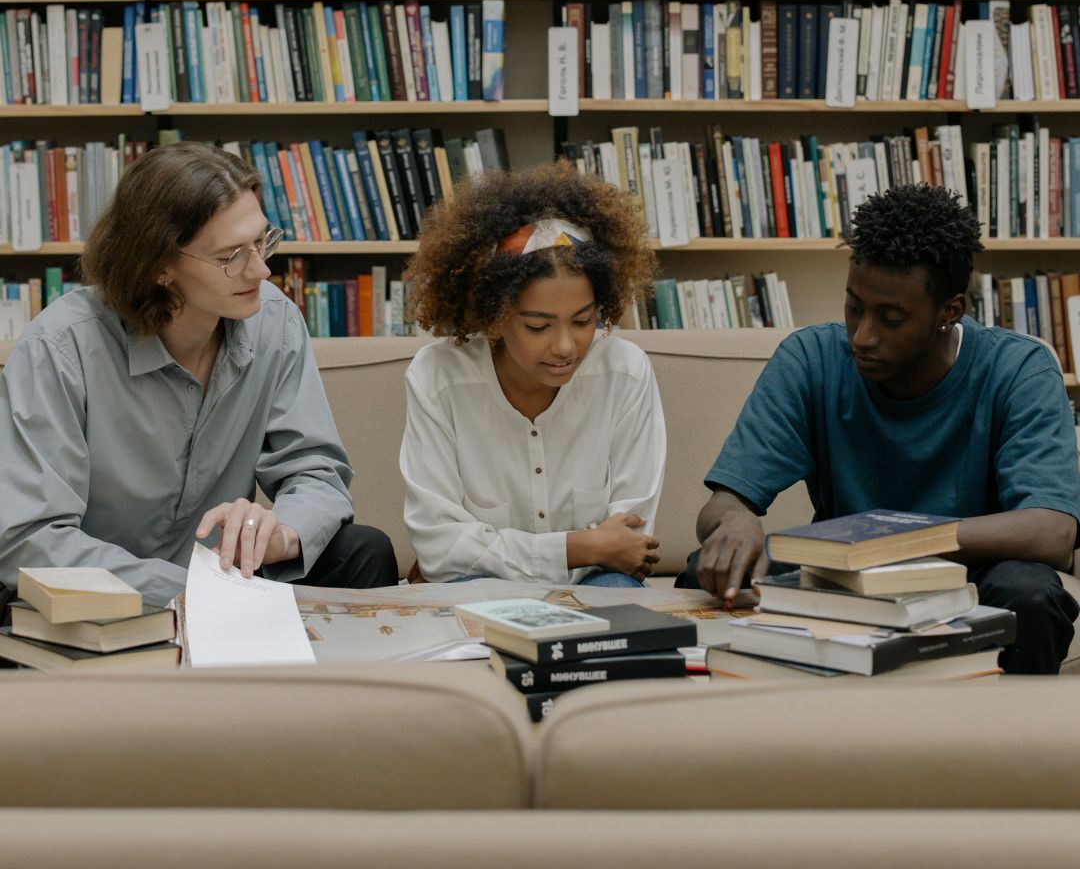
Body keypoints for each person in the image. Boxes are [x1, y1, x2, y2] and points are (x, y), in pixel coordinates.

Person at [678, 184, 1080, 674]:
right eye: (854, 307)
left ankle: (1011, 746)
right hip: (845, 578)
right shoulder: (810, 360)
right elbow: (722, 503)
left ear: (948, 312)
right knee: (706, 567)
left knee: (1030, 592)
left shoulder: (1019, 368)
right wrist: (736, 519)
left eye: (891, 318)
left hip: (972, 577)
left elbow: (1052, 532)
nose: (863, 336)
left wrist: (895, 540)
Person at [0, 142, 397, 613]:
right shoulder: (61, 346)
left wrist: (279, 534)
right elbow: (28, 538)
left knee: (364, 550)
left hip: (225, 580)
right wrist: (190, 593)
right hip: (102, 593)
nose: (261, 269)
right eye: (231, 255)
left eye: (262, 241)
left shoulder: (277, 321)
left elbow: (315, 469)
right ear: (160, 265)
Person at [400, 160, 664, 587]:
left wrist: (590, 552)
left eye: (583, 321)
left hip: (598, 580)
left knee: (617, 594)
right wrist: (578, 547)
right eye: (538, 326)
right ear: (495, 316)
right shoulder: (437, 378)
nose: (565, 346)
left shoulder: (626, 373)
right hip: (481, 585)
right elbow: (439, 549)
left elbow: (628, 545)